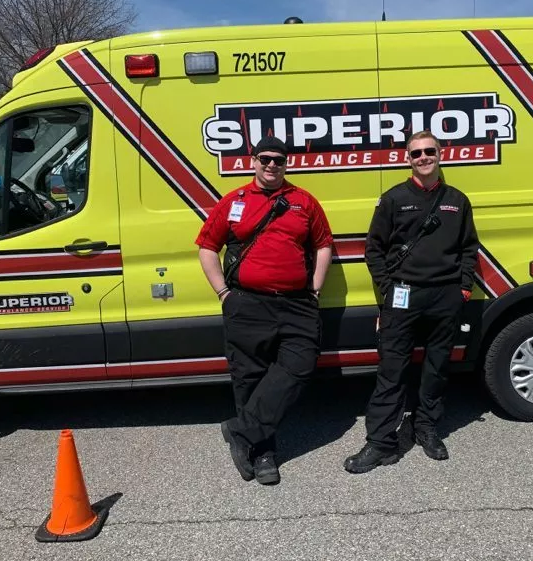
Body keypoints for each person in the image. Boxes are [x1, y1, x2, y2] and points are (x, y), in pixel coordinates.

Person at [195, 136, 333, 485]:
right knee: (249, 376)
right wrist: (224, 293)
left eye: (279, 160)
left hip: (297, 302)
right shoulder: (234, 201)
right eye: (265, 159)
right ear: (253, 161)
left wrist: (314, 289)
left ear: (287, 164)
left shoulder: (303, 201)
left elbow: (323, 244)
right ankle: (263, 452)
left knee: (300, 365)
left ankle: (240, 430)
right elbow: (207, 247)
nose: (272, 165)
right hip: (247, 302)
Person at [344, 130, 479, 473]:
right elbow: (373, 250)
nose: (423, 158)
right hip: (402, 296)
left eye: (429, 151)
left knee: (436, 369)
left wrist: (462, 288)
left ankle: (426, 429)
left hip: (444, 296)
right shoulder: (392, 199)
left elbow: (468, 248)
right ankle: (380, 443)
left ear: (440, 154)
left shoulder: (457, 200)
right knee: (391, 371)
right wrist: (388, 289)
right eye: (416, 153)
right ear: (408, 158)